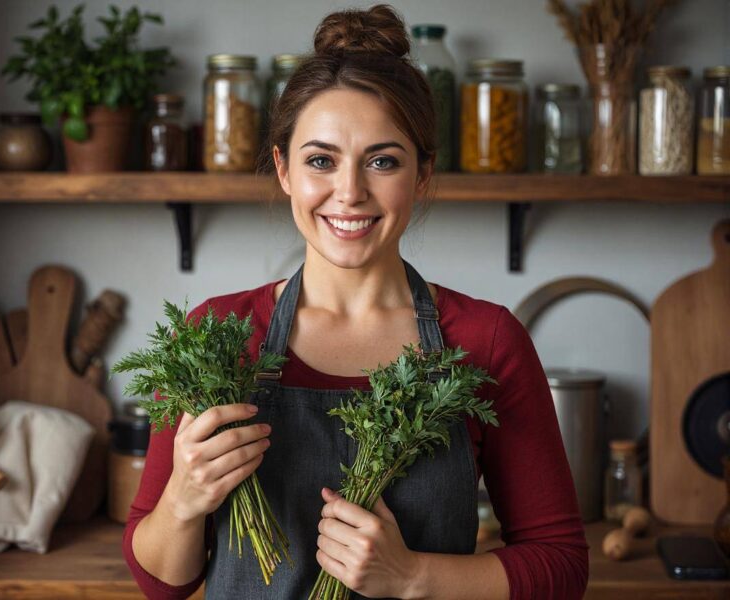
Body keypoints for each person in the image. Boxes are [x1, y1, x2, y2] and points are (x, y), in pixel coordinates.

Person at [123, 5, 588, 599]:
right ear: (283, 169)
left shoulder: (486, 339)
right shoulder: (218, 335)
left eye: (382, 161)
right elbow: (160, 584)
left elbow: (561, 569)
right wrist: (183, 501)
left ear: (422, 175)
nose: (349, 192)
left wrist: (414, 576)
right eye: (321, 160)